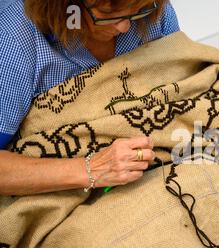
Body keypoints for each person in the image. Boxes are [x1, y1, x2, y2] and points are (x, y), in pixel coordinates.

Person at [0, 0, 179, 196]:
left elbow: (189, 92)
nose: (124, 26)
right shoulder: (14, 38)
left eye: (135, 12)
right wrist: (91, 169)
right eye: (106, 12)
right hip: (67, 196)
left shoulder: (151, 9)